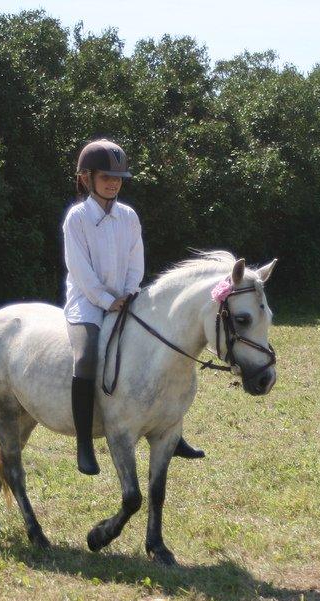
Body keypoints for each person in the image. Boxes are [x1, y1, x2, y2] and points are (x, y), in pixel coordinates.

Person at [62, 139, 205, 476]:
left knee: (163, 351)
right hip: (87, 302)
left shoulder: (128, 216)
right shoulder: (77, 218)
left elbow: (135, 262)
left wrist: (128, 294)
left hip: (127, 299)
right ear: (87, 178)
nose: (113, 183)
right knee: (84, 360)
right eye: (106, 177)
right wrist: (106, 300)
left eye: (118, 178)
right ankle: (84, 441)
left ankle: (171, 428)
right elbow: (79, 269)